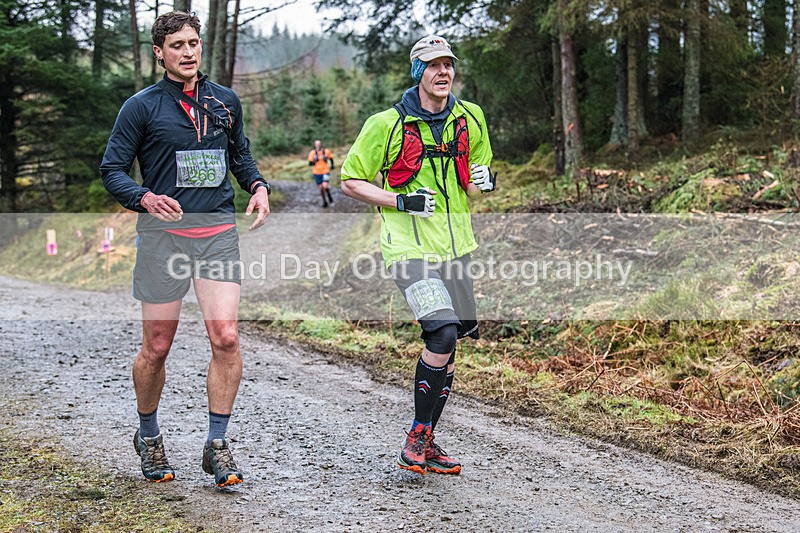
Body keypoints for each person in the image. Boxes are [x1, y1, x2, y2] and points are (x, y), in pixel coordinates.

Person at [100, 11, 271, 487]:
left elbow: (240, 155)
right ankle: (149, 435)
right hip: (163, 239)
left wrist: (257, 185)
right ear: (160, 53)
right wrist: (144, 198)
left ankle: (217, 445)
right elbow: (111, 169)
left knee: (227, 337)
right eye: (177, 45)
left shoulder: (225, 101)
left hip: (216, 233)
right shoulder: (141, 107)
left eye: (193, 42)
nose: (189, 51)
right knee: (157, 346)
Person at [340, 35, 496, 475]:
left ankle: (427, 439)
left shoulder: (471, 118)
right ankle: (417, 434)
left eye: (448, 64)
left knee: (451, 345)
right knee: (442, 333)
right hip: (408, 249)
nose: (443, 72)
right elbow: (351, 180)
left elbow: (474, 183)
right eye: (433, 65)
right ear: (417, 72)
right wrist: (399, 201)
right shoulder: (385, 124)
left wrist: (484, 179)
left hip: (457, 248)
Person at [308, 139, 335, 207]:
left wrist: (332, 166)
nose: (318, 145)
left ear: (321, 144)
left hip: (325, 171)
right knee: (320, 188)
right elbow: (310, 163)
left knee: (325, 186)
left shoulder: (326, 151)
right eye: (316, 144)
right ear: (315, 145)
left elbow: (331, 159)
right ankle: (324, 201)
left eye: (319, 144)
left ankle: (330, 197)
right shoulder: (312, 153)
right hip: (316, 173)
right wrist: (314, 161)